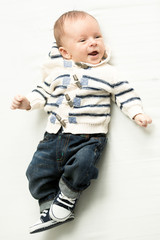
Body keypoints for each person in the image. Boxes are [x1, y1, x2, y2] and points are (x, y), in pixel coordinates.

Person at [11, 10, 152, 234]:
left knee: (83, 165)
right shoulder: (57, 73)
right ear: (65, 53)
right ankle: (50, 208)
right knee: (35, 171)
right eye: (83, 40)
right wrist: (27, 102)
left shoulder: (109, 74)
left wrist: (137, 113)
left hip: (88, 138)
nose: (93, 44)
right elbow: (42, 92)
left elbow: (125, 94)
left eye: (97, 37)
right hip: (53, 137)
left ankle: (66, 199)